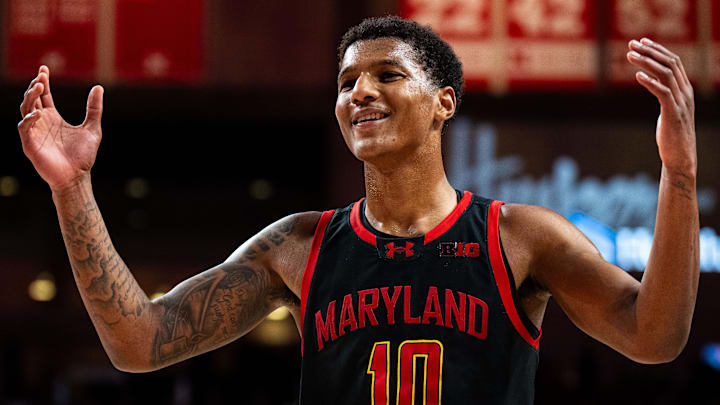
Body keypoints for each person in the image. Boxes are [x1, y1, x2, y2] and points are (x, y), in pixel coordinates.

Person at [17, 16, 697, 404]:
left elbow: (654, 335)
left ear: (444, 103)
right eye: (346, 82)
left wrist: (680, 176)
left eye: (387, 75)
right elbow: (140, 343)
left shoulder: (517, 236)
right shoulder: (298, 245)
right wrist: (72, 190)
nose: (359, 92)